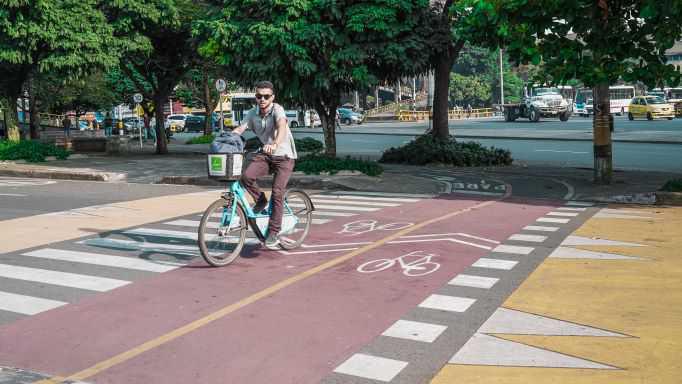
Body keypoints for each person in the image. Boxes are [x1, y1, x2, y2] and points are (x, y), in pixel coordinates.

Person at [231, 81, 298, 249]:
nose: (262, 99)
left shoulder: (278, 110)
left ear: (272, 97)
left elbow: (281, 127)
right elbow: (241, 128)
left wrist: (275, 143)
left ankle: (274, 232)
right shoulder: (252, 113)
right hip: (266, 155)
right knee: (246, 177)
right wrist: (228, 137)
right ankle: (261, 201)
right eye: (259, 96)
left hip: (284, 156)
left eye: (266, 96)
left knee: (277, 192)